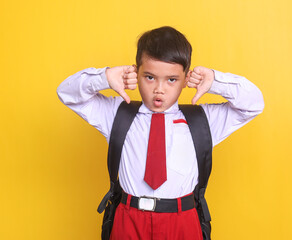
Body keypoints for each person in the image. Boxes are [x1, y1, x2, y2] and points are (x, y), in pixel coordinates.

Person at [57, 26, 264, 240]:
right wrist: (104, 77)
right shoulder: (116, 114)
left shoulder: (203, 121)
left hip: (182, 220)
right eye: (149, 77)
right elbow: (66, 93)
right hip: (129, 218)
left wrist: (215, 81)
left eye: (171, 80)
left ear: (186, 80)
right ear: (136, 73)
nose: (159, 89)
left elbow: (254, 104)